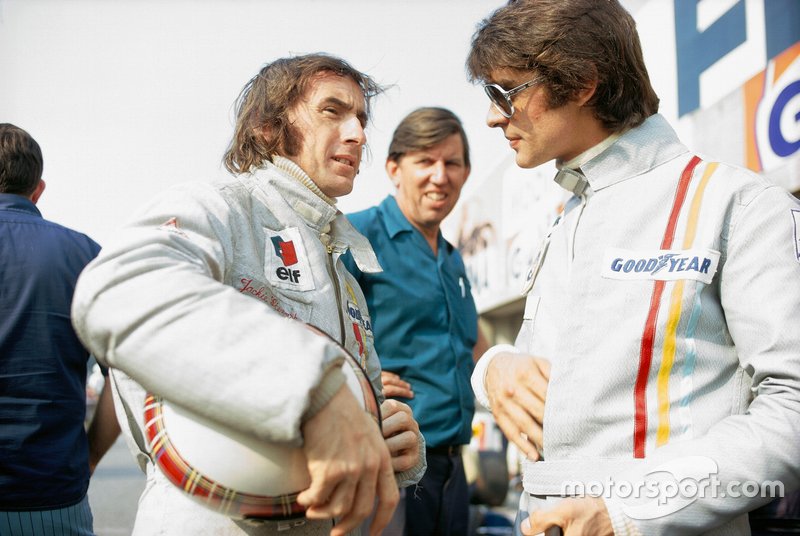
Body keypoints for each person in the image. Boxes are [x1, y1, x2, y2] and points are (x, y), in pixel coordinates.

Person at [465, 1, 800, 535]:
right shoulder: (565, 219)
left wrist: (627, 512)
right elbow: (554, 377)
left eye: (505, 93)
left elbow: (792, 410)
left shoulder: (738, 203)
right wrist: (496, 367)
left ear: (581, 84)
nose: (491, 115)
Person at [70, 54, 425, 536]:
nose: (358, 134)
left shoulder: (345, 270)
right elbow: (116, 287)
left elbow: (355, 407)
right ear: (266, 126)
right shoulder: (221, 207)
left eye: (361, 118)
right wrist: (314, 388)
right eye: (332, 111)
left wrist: (387, 437)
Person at [344, 107, 488, 536]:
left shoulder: (452, 258)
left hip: (454, 468)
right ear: (394, 169)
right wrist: (354, 377)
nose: (440, 176)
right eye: (425, 161)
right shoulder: (355, 236)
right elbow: (301, 324)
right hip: (392, 466)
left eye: (452, 162)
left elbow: (472, 344)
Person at [0, 123, 120, 535]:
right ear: (38, 188)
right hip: (51, 498)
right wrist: (88, 459)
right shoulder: (86, 255)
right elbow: (125, 379)